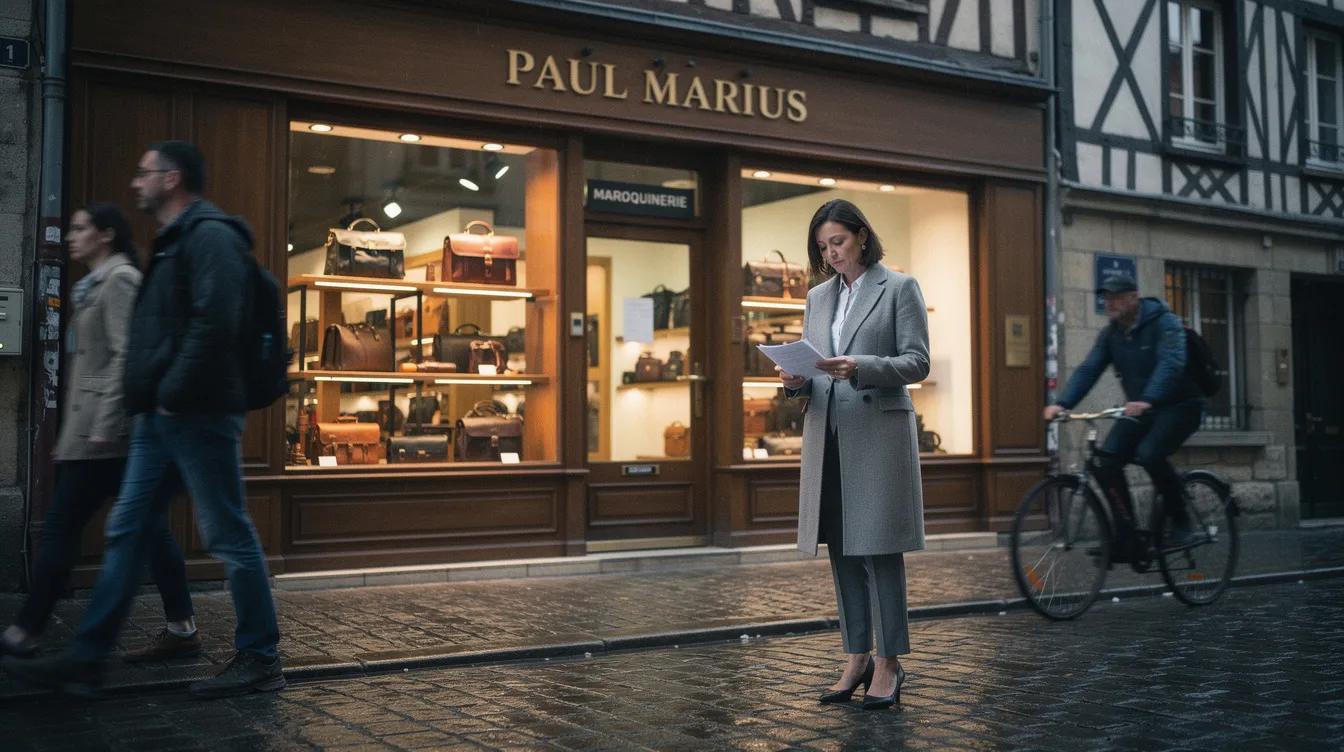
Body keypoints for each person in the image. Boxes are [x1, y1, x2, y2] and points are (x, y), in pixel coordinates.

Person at [2, 141, 284, 699]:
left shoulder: (210, 237)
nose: (135, 184)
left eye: (144, 174)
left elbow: (216, 322)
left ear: (171, 179)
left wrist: (172, 393)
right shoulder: (176, 242)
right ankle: (87, 658)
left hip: (196, 412)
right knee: (128, 529)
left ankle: (259, 653)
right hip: (163, 416)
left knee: (227, 532)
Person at [1, 204, 200, 662]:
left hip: (105, 434)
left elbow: (127, 357)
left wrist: (106, 424)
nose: (70, 236)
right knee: (149, 530)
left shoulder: (121, 281)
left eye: (79, 228)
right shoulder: (94, 285)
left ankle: (26, 631)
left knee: (62, 529)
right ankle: (182, 626)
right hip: (95, 431)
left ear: (106, 235)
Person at [778, 199, 930, 710]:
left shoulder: (899, 287)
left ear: (862, 237)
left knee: (880, 550)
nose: (831, 254)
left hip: (878, 435)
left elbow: (917, 361)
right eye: (822, 247)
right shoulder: (818, 296)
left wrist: (860, 365)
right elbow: (812, 363)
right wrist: (795, 381)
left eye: (838, 242)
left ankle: (889, 663)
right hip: (829, 435)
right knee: (843, 548)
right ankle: (857, 655)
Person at [1043, 273, 1206, 553]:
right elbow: (1089, 368)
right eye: (1106, 298)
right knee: (1106, 461)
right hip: (1142, 409)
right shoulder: (1111, 334)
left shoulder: (1165, 323)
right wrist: (1064, 403)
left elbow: (1171, 364)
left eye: (1117, 297)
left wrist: (1148, 399)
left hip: (1181, 407)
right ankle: (1126, 535)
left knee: (1150, 453)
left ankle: (1181, 521)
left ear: (1134, 298)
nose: (1110, 303)